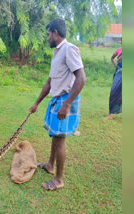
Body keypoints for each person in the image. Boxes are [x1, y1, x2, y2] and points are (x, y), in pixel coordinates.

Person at [29, 18, 86, 191]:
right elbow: (49, 82)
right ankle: (51, 165)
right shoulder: (58, 54)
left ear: (55, 33)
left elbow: (82, 79)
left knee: (60, 139)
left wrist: (67, 104)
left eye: (48, 34)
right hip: (58, 99)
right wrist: (37, 103)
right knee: (55, 135)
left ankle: (59, 179)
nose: (47, 38)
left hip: (65, 100)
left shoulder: (69, 49)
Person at [104, 41, 122, 120]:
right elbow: (112, 58)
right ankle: (111, 114)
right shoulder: (119, 50)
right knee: (114, 92)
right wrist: (116, 66)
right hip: (119, 73)